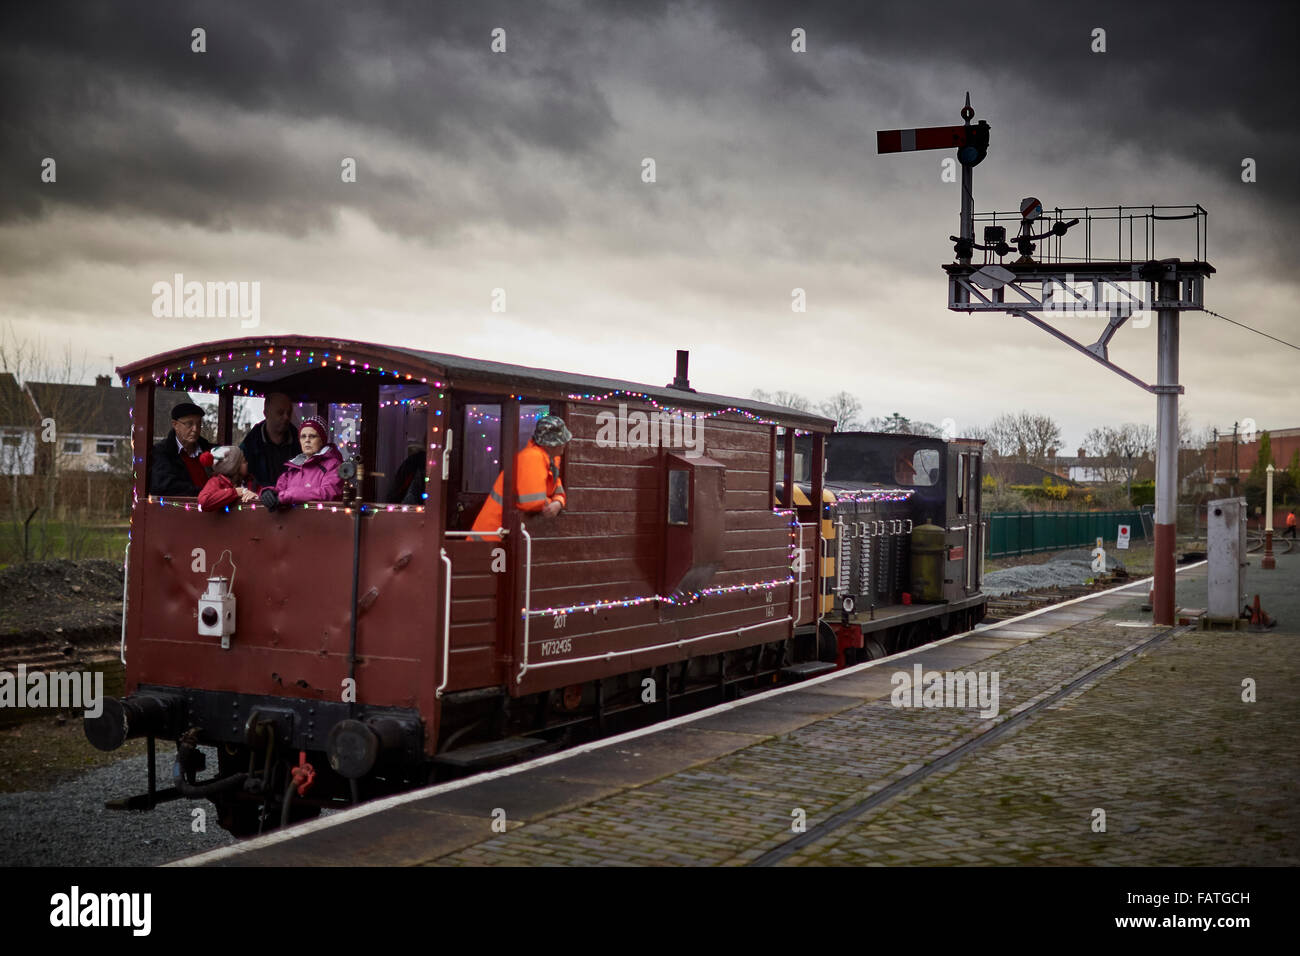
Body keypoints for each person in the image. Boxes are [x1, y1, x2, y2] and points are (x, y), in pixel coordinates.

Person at [469, 415, 570, 542]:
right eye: (561, 441)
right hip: (491, 537)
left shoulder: (550, 461)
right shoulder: (532, 458)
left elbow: (558, 490)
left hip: (501, 537)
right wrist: (552, 504)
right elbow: (532, 502)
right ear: (551, 444)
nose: (564, 444)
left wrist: (558, 503)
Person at [261, 416, 343, 508]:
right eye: (303, 436)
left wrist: (289, 495)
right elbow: (279, 490)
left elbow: (328, 493)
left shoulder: (333, 464)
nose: (307, 440)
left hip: (320, 520)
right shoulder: (294, 466)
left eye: (312, 436)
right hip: (291, 520)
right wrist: (268, 492)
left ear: (322, 440)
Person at [150, 402, 213, 496]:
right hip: (179, 509)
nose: (195, 429)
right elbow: (164, 486)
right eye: (189, 424)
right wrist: (206, 494)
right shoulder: (163, 452)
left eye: (199, 424)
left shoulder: (210, 450)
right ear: (175, 425)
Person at [240, 392, 301, 488]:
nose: (286, 417)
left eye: (288, 413)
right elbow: (240, 478)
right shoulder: (250, 445)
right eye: (280, 412)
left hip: (292, 500)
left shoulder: (300, 444)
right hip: (257, 500)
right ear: (266, 413)